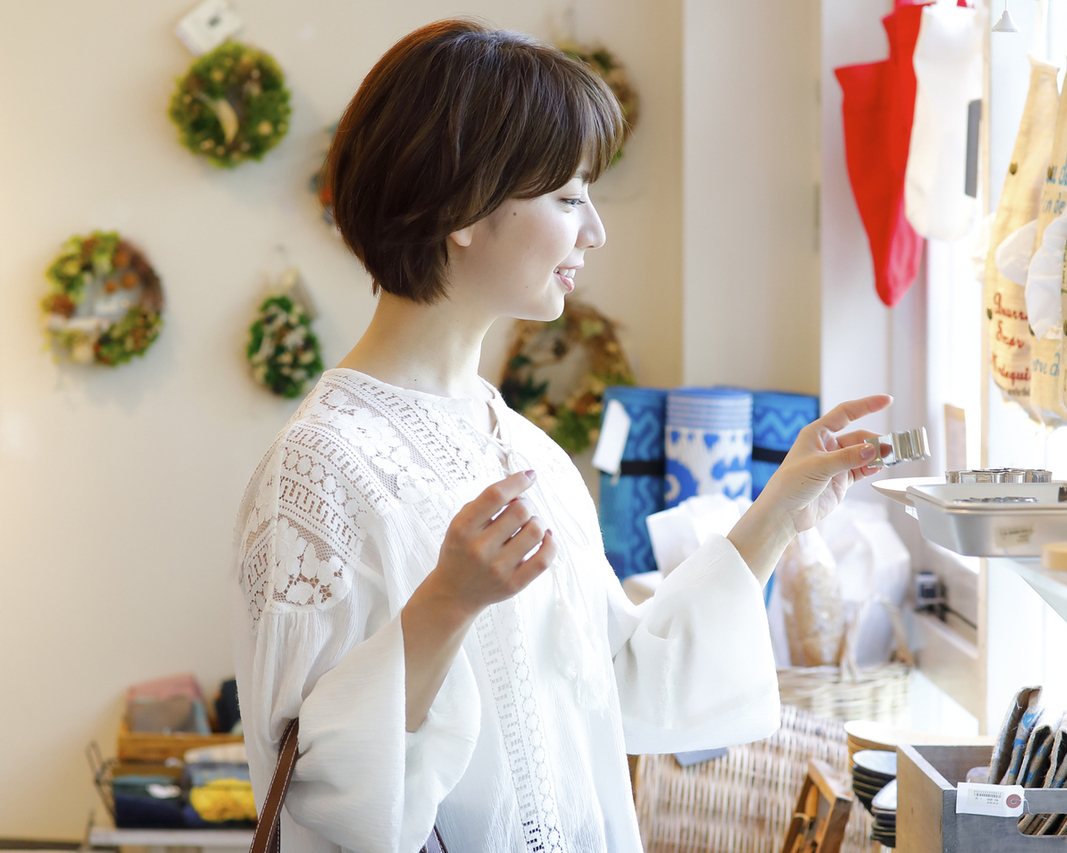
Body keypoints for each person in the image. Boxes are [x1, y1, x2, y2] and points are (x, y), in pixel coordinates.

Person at [230, 18, 891, 853]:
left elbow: (623, 685)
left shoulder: (527, 451)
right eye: (569, 198)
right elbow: (320, 796)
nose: (594, 231)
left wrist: (778, 514)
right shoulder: (319, 466)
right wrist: (447, 602)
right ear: (463, 208)